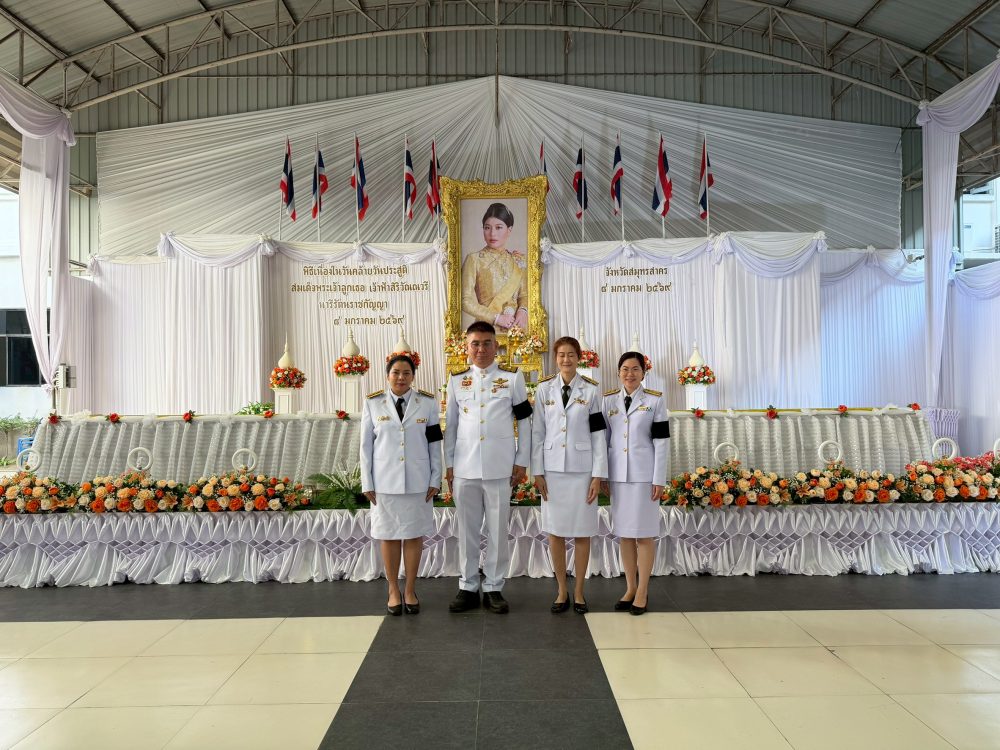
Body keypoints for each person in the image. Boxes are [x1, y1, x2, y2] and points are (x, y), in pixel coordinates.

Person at [444, 320, 532, 614]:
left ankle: (494, 586)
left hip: (499, 467)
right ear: (467, 348)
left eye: (486, 343)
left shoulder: (512, 379)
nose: (480, 349)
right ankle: (468, 585)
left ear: (496, 346)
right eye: (475, 344)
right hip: (465, 467)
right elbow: (451, 426)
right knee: (466, 530)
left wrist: (521, 460)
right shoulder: (456, 381)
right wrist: (449, 464)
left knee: (497, 530)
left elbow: (525, 422)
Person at [361, 354, 443, 616]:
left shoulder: (427, 403)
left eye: (406, 373)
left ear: (413, 376)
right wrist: (367, 481)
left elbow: (434, 443)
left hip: (418, 482)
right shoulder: (373, 403)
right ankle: (393, 590)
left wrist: (435, 478)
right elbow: (365, 446)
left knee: (413, 534)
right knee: (388, 535)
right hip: (384, 483)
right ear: (388, 375)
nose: (401, 377)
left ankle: (410, 589)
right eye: (396, 372)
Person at [532, 336, 608, 614]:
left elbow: (598, 435)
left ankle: (579, 592)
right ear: (556, 358)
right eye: (561, 355)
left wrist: (598, 475)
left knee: (582, 531)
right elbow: (537, 432)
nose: (566, 359)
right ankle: (562, 590)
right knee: (556, 531)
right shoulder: (544, 389)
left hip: (582, 471)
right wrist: (537, 471)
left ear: (578, 358)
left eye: (571, 355)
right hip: (552, 471)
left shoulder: (591, 390)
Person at [602, 351, 669, 616]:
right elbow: (604, 440)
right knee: (625, 534)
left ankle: (642, 591)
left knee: (644, 534)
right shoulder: (608, 400)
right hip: (618, 476)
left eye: (635, 369)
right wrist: (603, 474)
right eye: (625, 369)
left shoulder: (654, 401)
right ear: (618, 372)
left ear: (643, 372)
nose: (630, 374)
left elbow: (661, 442)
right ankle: (630, 588)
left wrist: (659, 478)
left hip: (644, 476)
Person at [460, 203, 529, 332]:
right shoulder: (474, 259)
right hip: (487, 330)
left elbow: (524, 295)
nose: (492, 233)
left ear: (509, 230)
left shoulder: (518, 260)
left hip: (516, 330)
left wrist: (523, 310)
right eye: (487, 228)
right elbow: (464, 300)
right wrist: (496, 318)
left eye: (498, 227)